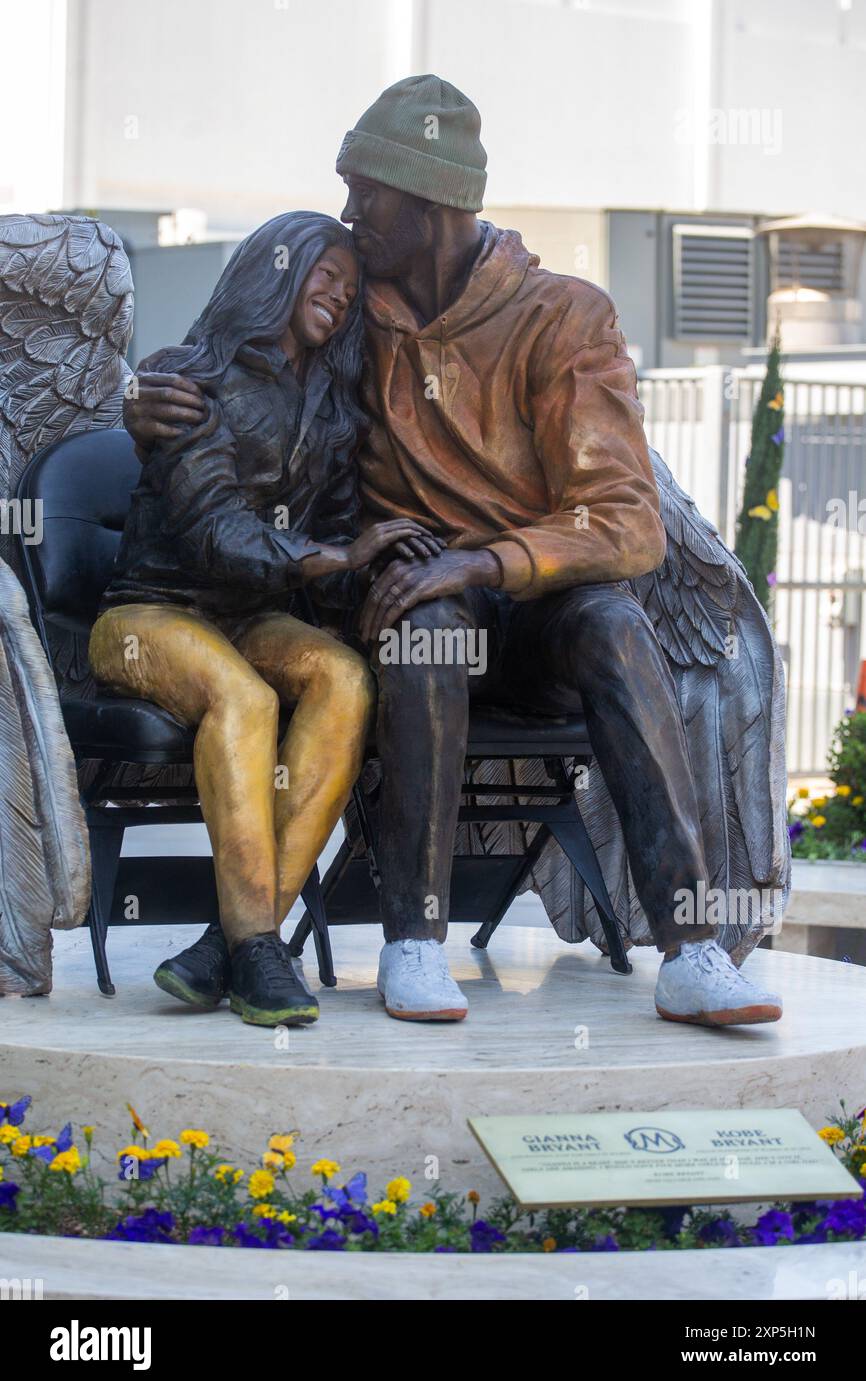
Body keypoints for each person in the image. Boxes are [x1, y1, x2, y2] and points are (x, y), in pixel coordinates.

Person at [125, 78, 782, 1031]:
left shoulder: (564, 318)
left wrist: (482, 563)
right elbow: (240, 361)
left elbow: (628, 523)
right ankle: (414, 943)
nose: (349, 213)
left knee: (613, 624)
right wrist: (145, 404)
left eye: (364, 193)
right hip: (413, 604)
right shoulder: (355, 307)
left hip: (540, 606)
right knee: (424, 623)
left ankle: (692, 952)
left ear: (425, 203)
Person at [92, 210, 438, 1028]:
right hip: (147, 612)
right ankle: (259, 952)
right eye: (325, 272)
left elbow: (348, 528)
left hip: (249, 616)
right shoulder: (187, 376)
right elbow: (215, 532)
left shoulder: (333, 413)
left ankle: (234, 944)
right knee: (244, 698)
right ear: (271, 269)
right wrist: (337, 555)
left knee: (342, 677)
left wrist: (398, 580)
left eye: (351, 290)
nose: (339, 293)